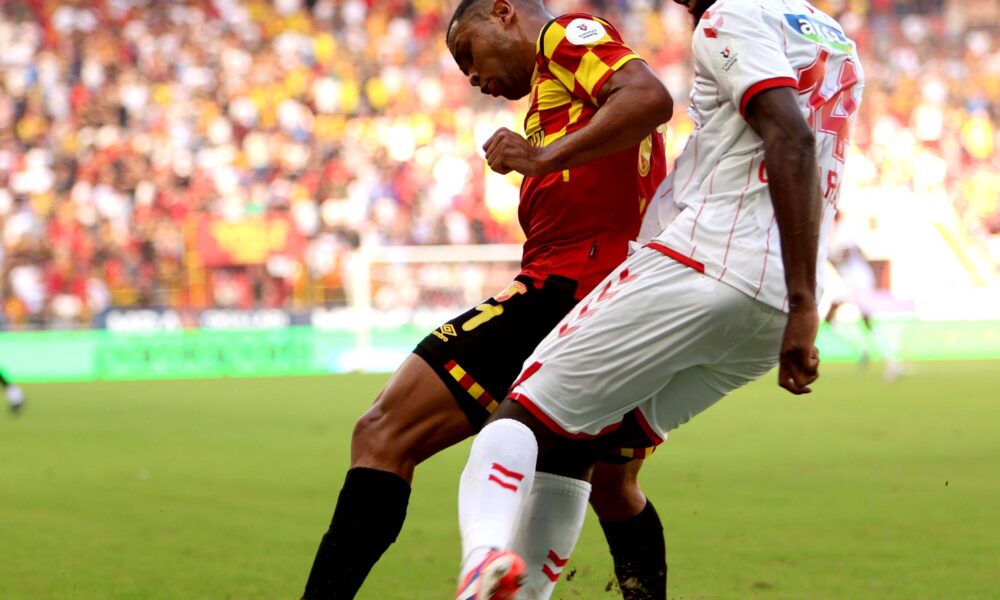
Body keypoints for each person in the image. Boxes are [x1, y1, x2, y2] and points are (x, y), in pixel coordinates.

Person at [450, 0, 865, 598]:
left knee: (520, 415)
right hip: (775, 300)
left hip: (709, 264)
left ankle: (481, 562)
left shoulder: (728, 17)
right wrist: (801, 302)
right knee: (583, 447)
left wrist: (805, 304)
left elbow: (791, 137)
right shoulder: (829, 33)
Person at [301, 1, 674, 598]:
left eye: (467, 54)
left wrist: (542, 158)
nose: (472, 77)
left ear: (502, 13)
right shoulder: (560, 95)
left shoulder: (565, 37)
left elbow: (651, 97)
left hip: (569, 286)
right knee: (610, 485)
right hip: (628, 299)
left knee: (382, 433)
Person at [824, 212, 904, 380]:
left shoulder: (844, 230)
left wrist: (828, 254)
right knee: (830, 319)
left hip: (858, 281)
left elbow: (845, 253)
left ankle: (891, 362)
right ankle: (862, 348)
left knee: (867, 321)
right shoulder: (829, 234)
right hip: (848, 282)